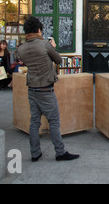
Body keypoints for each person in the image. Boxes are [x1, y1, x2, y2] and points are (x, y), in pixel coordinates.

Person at [17, 16, 79, 162]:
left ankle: (35, 153)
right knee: (54, 121)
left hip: (32, 89)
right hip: (46, 89)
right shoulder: (45, 45)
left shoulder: (21, 48)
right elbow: (58, 60)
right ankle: (60, 152)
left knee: (34, 122)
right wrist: (53, 47)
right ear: (39, 30)